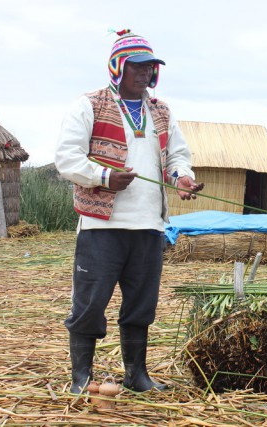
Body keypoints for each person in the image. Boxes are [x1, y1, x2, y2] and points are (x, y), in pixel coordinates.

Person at [55, 30, 204, 394]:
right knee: (90, 304)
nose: (144, 73)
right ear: (118, 67)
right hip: (101, 226)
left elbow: (178, 156)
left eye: (150, 67)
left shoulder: (161, 111)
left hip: (149, 226)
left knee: (141, 306)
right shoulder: (90, 105)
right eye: (136, 66)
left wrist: (182, 178)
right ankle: (82, 378)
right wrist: (103, 177)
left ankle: (136, 375)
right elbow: (67, 157)